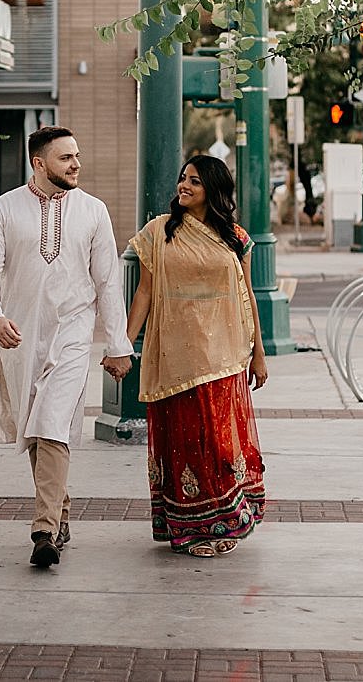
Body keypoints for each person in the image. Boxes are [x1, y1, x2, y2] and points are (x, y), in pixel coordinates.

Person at [0, 126, 135, 569]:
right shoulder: (4, 209)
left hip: (73, 334)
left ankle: (43, 529)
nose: (76, 164)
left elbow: (107, 282)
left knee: (52, 423)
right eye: (65, 158)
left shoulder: (93, 211)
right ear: (39, 164)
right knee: (35, 428)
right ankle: (59, 514)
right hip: (21, 336)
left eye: (77, 155)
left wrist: (118, 344)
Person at [124, 154, 268, 558]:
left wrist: (259, 353)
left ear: (214, 191)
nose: (183, 186)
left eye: (195, 181)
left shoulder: (235, 237)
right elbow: (145, 293)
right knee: (184, 441)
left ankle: (226, 520)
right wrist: (124, 342)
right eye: (182, 178)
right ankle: (189, 528)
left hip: (223, 353)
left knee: (218, 440)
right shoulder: (159, 232)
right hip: (175, 354)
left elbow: (248, 296)